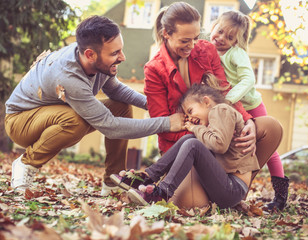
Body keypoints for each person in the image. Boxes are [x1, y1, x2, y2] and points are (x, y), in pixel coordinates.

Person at [4, 15, 185, 196]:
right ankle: (26, 163)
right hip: (20, 122)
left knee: (121, 107)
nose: (122, 57)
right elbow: (111, 127)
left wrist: (156, 106)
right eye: (114, 53)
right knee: (75, 120)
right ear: (90, 54)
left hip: (49, 115)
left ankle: (112, 182)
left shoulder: (98, 62)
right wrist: (167, 122)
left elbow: (116, 91)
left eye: (120, 50)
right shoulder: (68, 75)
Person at [112, 78, 260, 208]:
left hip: (233, 188)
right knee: (189, 139)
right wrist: (197, 130)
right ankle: (148, 177)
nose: (189, 118)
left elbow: (219, 145)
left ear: (206, 101)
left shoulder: (221, 110)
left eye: (190, 110)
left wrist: (196, 128)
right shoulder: (215, 119)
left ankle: (163, 192)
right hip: (225, 185)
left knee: (193, 144)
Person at [143, 2, 257, 157]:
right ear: (166, 34)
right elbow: (163, 125)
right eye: (185, 41)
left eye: (195, 38)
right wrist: (205, 136)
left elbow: (224, 91)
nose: (191, 46)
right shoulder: (154, 70)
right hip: (180, 145)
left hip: (216, 137)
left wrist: (247, 121)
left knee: (269, 127)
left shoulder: (207, 50)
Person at [209, 10, 288, 210]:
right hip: (233, 107)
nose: (221, 39)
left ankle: (280, 196)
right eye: (219, 32)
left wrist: (229, 100)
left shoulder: (237, 54)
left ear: (236, 41)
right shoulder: (209, 49)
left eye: (229, 37)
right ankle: (229, 186)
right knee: (235, 145)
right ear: (214, 26)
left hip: (251, 105)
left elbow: (248, 80)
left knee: (271, 152)